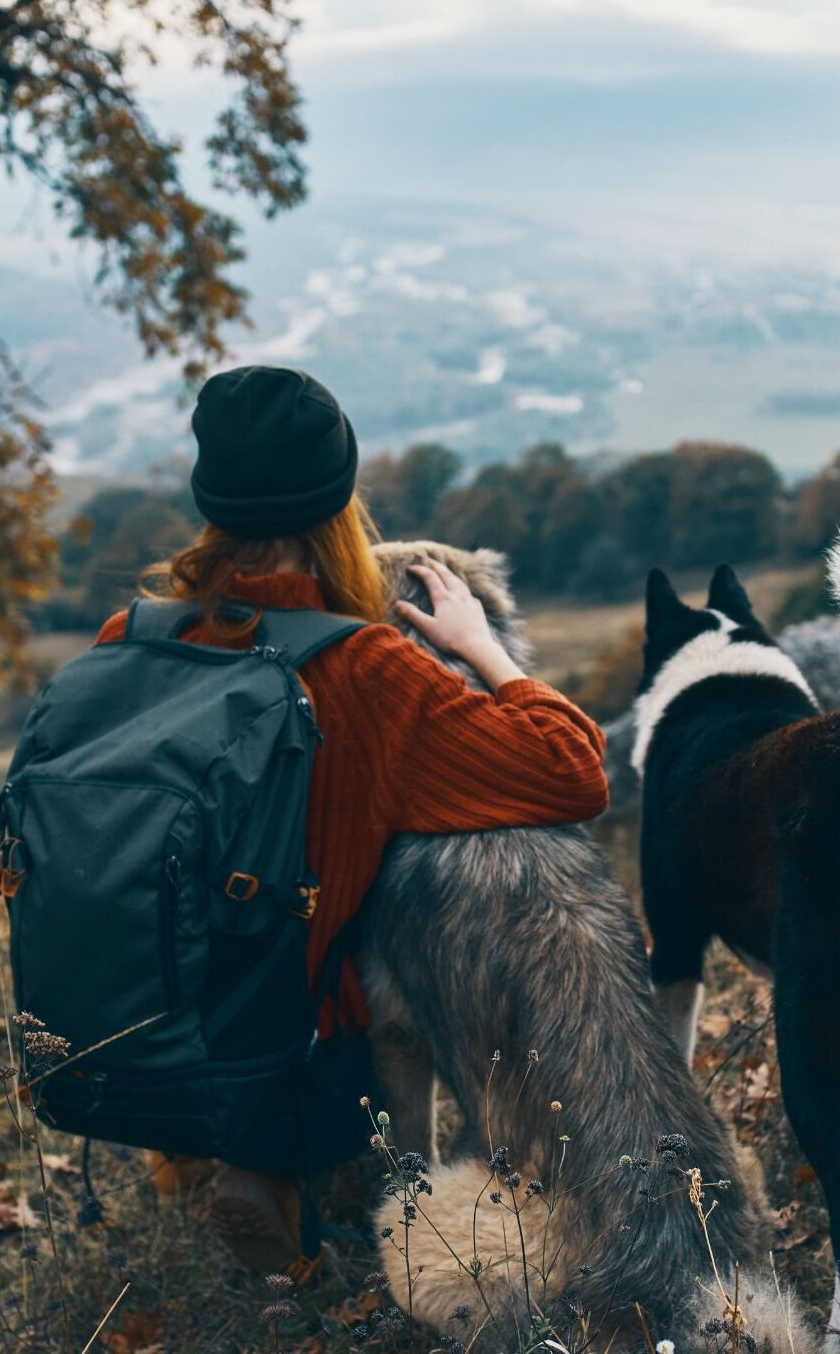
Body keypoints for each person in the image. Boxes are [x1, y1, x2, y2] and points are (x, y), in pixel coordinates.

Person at [93, 365, 609, 1278]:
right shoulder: (368, 668)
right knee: (352, 986)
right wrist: (479, 646)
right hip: (299, 1036)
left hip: (133, 1008)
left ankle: (197, 1142)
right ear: (339, 502)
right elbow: (572, 770)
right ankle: (284, 1162)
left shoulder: (128, 638)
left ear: (210, 502)